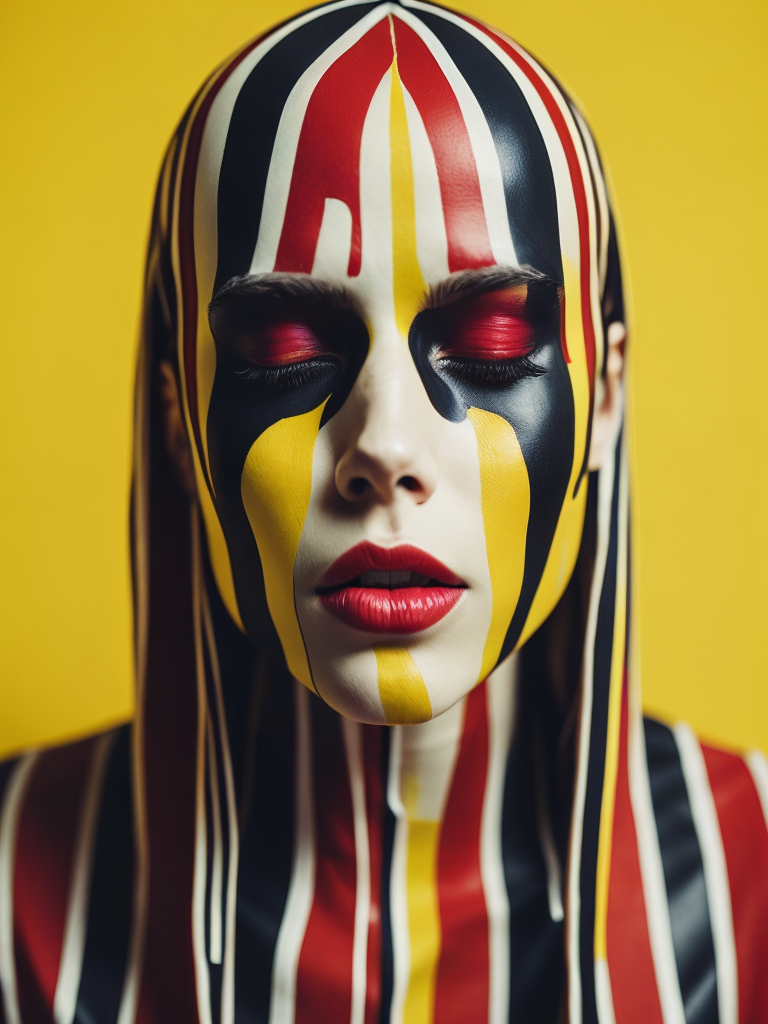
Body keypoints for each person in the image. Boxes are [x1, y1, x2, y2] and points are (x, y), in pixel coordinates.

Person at [1, 2, 766, 1022]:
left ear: (607, 393)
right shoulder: (12, 886)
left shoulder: (755, 875)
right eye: (284, 350)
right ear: (179, 413)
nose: (387, 446)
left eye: (491, 344)